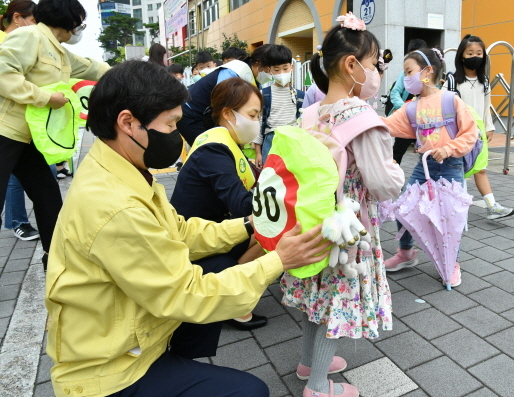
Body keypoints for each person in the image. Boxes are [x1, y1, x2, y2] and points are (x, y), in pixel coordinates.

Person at [45, 60, 331, 397]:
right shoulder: (115, 206)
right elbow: (186, 294)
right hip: (109, 371)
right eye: (171, 125)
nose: (177, 136)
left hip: (131, 333)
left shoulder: (121, 167)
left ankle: (177, 363)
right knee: (250, 392)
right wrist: (278, 262)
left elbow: (178, 231)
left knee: (217, 265)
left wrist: (246, 225)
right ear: (127, 122)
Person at [282, 13, 404, 397]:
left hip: (313, 221)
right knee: (336, 301)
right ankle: (319, 387)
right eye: (374, 66)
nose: (377, 73)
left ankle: (308, 363)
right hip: (349, 230)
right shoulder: (363, 118)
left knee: (317, 296)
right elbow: (384, 185)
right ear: (351, 65)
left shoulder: (311, 113)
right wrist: (397, 170)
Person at [0, 0, 109, 269]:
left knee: (47, 193)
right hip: (4, 132)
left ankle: (56, 256)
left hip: (26, 138)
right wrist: (45, 97)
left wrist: (132, 73)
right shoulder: (30, 35)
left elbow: (90, 67)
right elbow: (3, 70)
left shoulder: (58, 51)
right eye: (80, 22)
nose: (80, 29)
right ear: (68, 19)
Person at [170, 79, 267, 359]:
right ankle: (232, 299)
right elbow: (242, 206)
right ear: (227, 114)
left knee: (264, 229)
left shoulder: (222, 142)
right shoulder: (216, 150)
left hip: (208, 228)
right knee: (272, 232)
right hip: (193, 243)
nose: (256, 123)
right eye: (252, 115)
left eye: (258, 116)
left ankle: (233, 288)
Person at [383, 48, 478, 283]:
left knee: (451, 217)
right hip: (423, 166)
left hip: (451, 165)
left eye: (409, 71)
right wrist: (357, 117)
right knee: (404, 207)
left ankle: (451, 262)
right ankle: (406, 252)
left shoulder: (450, 100)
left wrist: (448, 149)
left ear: (427, 72)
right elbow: (385, 125)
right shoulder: (412, 106)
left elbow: (470, 134)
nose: (406, 78)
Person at [448, 34, 514, 220]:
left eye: (479, 53)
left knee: (481, 169)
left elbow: (487, 106)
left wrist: (489, 126)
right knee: (457, 170)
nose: (475, 56)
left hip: (480, 134)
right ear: (461, 55)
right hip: (460, 134)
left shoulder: (484, 81)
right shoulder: (452, 81)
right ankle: (452, 208)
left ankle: (492, 206)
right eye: (470, 53)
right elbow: (450, 109)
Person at [177, 44, 273, 145]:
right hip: (192, 116)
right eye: (270, 69)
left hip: (208, 115)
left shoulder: (252, 76)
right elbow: (223, 107)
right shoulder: (232, 72)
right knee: (212, 150)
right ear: (258, 63)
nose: (271, 74)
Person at [0, 0, 40, 241]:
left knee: (42, 185)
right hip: (8, 125)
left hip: (27, 123)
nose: (35, 27)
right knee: (16, 179)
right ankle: (17, 221)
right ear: (18, 17)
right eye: (34, 21)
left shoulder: (28, 41)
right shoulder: (8, 42)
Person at [252, 44, 305, 167]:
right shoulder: (263, 95)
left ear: (292, 67)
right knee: (271, 177)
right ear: (269, 70)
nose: (281, 73)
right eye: (276, 70)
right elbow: (259, 124)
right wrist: (258, 153)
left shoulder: (299, 95)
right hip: (271, 141)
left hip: (293, 141)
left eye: (285, 68)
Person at [387, 39, 427, 164]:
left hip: (423, 120)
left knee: (427, 152)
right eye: (412, 55)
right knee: (397, 153)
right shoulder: (405, 74)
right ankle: (392, 180)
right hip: (406, 119)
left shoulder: (428, 74)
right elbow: (395, 92)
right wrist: (406, 107)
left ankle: (424, 180)